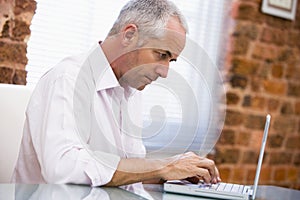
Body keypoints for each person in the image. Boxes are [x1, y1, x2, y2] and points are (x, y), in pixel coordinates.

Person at [12, 0, 221, 187]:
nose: (164, 72)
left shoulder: (131, 88)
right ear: (129, 35)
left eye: (171, 60)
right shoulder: (69, 79)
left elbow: (122, 172)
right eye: (161, 55)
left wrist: (173, 174)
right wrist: (161, 166)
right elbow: (62, 168)